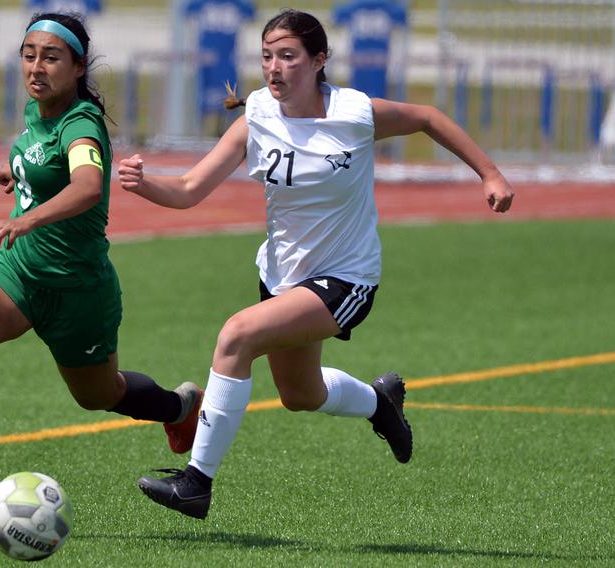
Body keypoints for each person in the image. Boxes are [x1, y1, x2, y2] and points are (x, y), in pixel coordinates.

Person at [118, 8, 515, 520]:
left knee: (236, 336)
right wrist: (145, 184)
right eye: (266, 56)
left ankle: (196, 483)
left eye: (288, 56)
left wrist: (490, 174)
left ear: (318, 60)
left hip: (346, 277)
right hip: (281, 277)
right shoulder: (256, 115)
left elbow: (427, 118)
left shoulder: (354, 113)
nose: (274, 67)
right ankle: (380, 404)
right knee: (301, 394)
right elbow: (192, 189)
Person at [0, 12, 203, 520]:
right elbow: (37, 151)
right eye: (29, 55)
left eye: (51, 57)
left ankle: (179, 408)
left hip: (77, 290)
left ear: (78, 67)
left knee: (100, 394)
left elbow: (86, 186)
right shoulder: (39, 113)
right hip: (19, 273)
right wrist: (15, 170)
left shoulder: (82, 123)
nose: (37, 67)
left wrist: (25, 219)